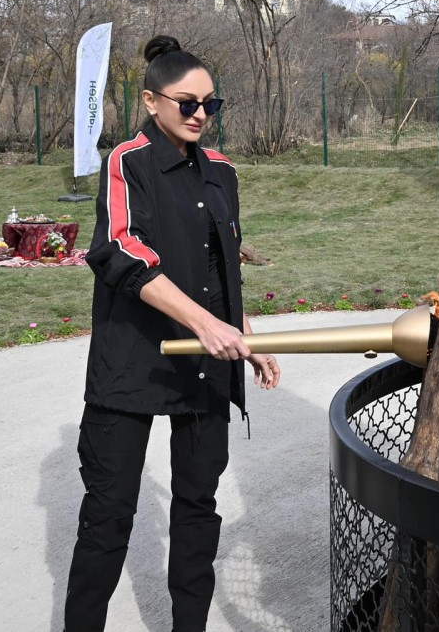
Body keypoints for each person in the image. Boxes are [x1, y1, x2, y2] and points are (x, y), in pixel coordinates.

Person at [64, 34, 280, 632]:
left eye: (211, 103)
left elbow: (224, 265)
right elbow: (121, 252)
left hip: (204, 364)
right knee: (108, 517)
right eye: (186, 103)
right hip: (132, 361)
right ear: (152, 101)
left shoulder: (222, 172)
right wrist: (204, 322)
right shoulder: (127, 162)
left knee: (197, 508)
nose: (200, 115)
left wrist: (244, 341)